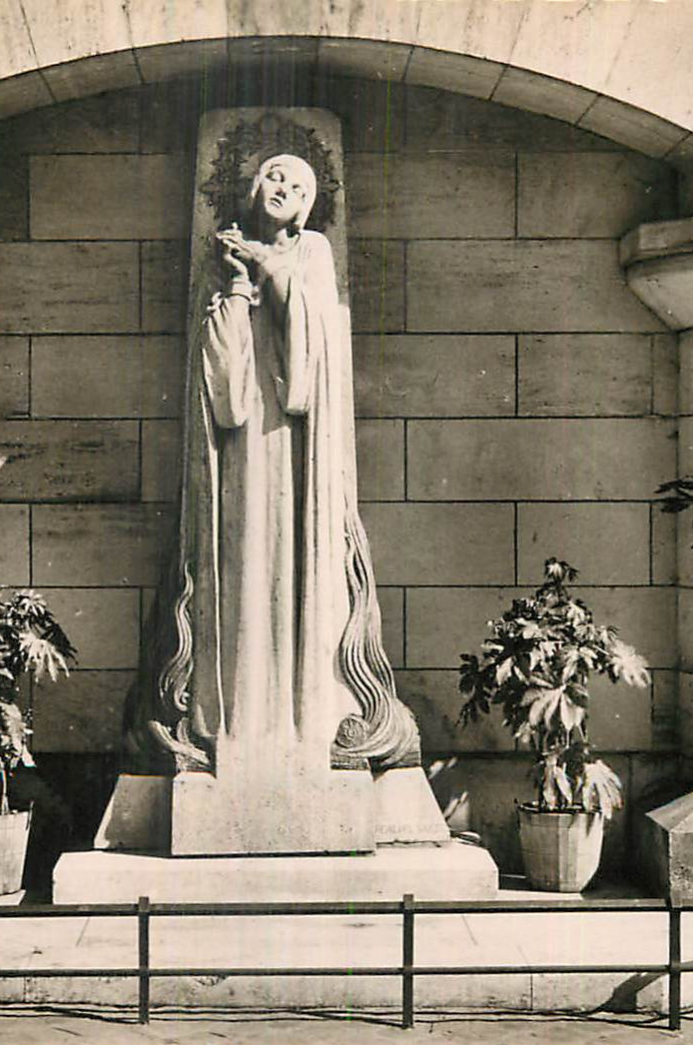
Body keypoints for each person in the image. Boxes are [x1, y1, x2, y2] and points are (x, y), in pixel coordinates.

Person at [125, 153, 420, 778]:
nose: (282, 188)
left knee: (299, 569)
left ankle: (309, 721)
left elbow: (311, 361)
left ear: (310, 204)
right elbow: (223, 392)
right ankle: (235, 718)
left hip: (298, 448)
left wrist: (267, 268)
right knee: (242, 565)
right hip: (241, 456)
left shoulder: (312, 251)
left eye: (298, 183)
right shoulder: (223, 257)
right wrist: (235, 282)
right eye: (273, 177)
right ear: (252, 189)